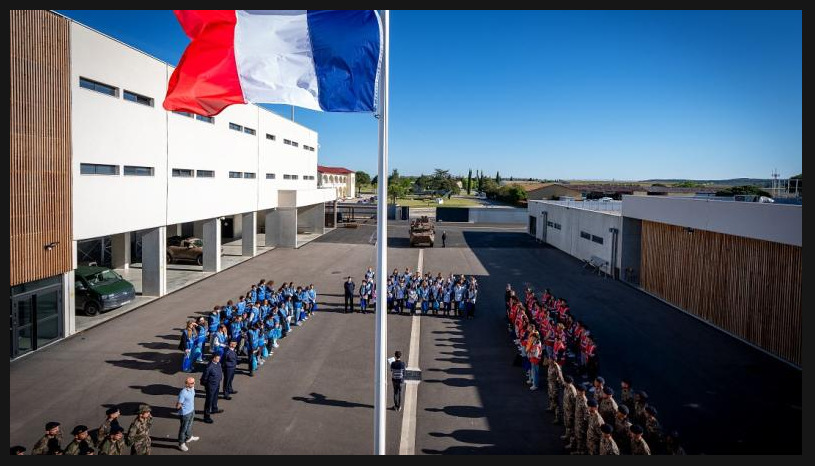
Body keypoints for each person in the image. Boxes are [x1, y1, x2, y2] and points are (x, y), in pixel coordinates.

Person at [176, 376, 200, 451]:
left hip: (192, 411)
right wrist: (180, 408)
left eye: (194, 382)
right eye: (192, 383)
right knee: (183, 429)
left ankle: (189, 437)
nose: (194, 384)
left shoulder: (192, 388)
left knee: (189, 425)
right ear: (187, 384)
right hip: (185, 414)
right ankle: (181, 444)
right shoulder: (183, 392)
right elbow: (178, 405)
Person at [201, 354, 224, 423]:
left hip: (216, 384)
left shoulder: (218, 363)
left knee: (215, 397)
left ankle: (214, 408)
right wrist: (207, 385)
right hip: (211, 386)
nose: (218, 359)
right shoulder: (209, 366)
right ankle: (206, 416)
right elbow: (204, 377)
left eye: (219, 358)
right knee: (209, 401)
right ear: (213, 358)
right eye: (217, 358)